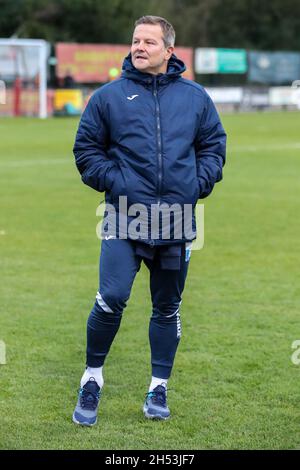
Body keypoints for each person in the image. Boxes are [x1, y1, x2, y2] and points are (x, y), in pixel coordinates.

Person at [72, 15, 226, 426]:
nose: (139, 47)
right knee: (113, 296)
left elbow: (214, 145)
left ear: (169, 50)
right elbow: (86, 150)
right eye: (136, 40)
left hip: (177, 217)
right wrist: (117, 182)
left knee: (167, 307)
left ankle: (158, 387)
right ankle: (92, 379)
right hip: (125, 215)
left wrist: (197, 183)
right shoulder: (108, 97)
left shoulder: (196, 97)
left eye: (149, 42)